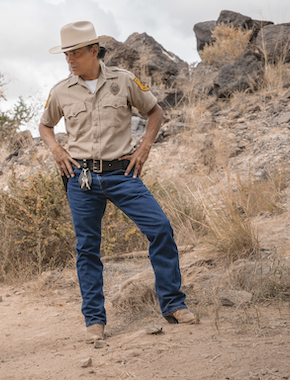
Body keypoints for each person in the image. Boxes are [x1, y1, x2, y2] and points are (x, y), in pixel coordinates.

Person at [39, 21, 196, 343]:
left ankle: (173, 304)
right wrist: (56, 149)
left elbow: (155, 112)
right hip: (80, 177)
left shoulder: (124, 82)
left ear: (94, 51)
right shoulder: (60, 90)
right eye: (66, 54)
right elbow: (45, 126)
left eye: (76, 53)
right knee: (87, 248)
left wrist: (145, 147)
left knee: (160, 228)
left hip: (122, 174)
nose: (70, 60)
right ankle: (94, 320)